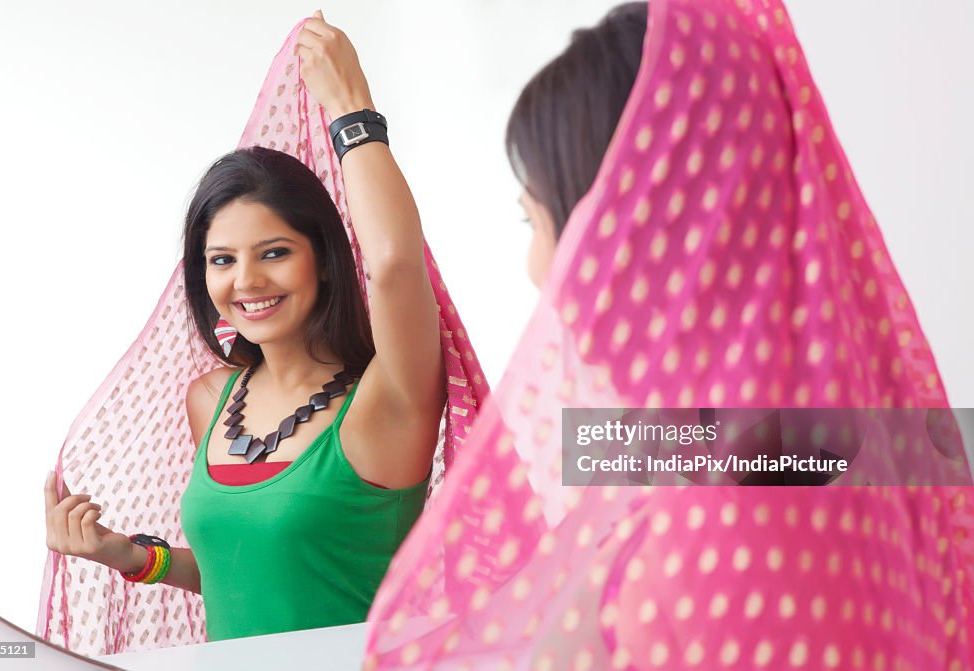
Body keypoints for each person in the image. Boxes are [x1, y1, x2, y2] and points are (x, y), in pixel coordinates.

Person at [364, 1, 974, 669]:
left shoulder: (715, 532)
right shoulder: (845, 437)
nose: (539, 270)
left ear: (624, 227)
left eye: (533, 222)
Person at [40, 13, 487, 652]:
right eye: (221, 259)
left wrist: (353, 109)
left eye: (274, 252)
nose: (245, 280)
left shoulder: (386, 401)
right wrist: (129, 556)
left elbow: (391, 261)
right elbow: (238, 573)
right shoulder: (212, 400)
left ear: (325, 261)